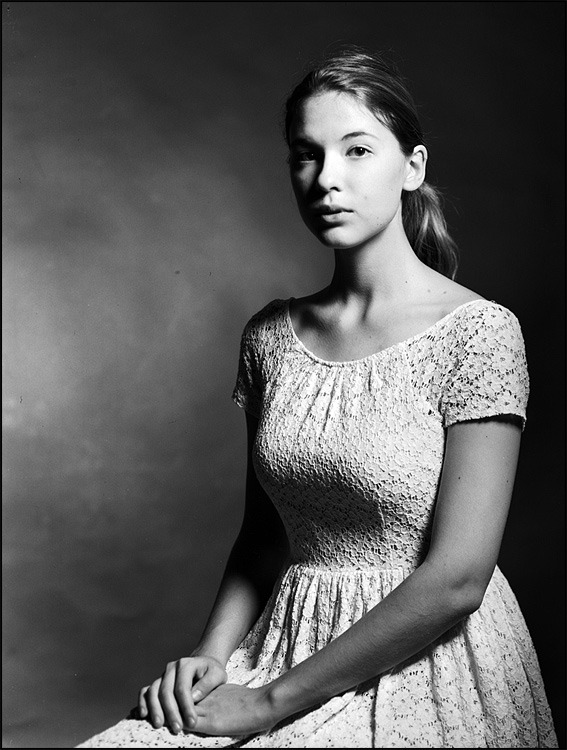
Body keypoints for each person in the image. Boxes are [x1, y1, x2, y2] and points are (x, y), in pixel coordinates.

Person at [76, 46, 558, 748]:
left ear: (411, 168)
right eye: (306, 155)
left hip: (424, 658)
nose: (327, 178)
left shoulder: (478, 334)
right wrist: (208, 661)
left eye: (356, 150)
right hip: (282, 645)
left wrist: (269, 705)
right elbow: (262, 537)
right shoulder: (269, 336)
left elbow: (457, 578)